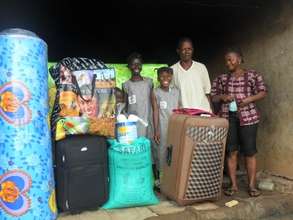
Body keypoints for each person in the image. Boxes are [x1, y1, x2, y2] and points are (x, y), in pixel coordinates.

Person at [211, 47, 267, 197]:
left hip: (249, 118)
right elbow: (213, 97)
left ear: (240, 59)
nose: (227, 63)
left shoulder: (253, 75)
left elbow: (263, 91)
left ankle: (252, 186)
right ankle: (233, 185)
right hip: (228, 119)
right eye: (226, 60)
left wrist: (249, 99)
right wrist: (223, 97)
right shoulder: (222, 79)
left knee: (249, 152)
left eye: (230, 59)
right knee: (231, 151)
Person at [151, 67, 180, 187]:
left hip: (175, 126)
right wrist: (157, 129)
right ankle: (159, 181)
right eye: (162, 77)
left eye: (168, 76)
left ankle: (172, 179)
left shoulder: (176, 91)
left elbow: (179, 109)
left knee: (174, 152)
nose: (165, 79)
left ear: (171, 77)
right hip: (162, 126)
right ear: (158, 78)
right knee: (161, 152)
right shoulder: (156, 92)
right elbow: (155, 111)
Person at [171, 37, 212, 112]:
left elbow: (207, 93)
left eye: (189, 49)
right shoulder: (173, 70)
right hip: (184, 114)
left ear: (193, 50)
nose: (187, 52)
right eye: (183, 49)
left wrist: (210, 112)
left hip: (203, 112)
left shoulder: (201, 67)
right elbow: (170, 95)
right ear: (178, 51)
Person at [122, 52, 153, 137]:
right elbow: (125, 106)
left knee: (147, 145)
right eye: (133, 64)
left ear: (142, 65)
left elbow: (154, 104)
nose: (136, 66)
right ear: (129, 66)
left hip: (147, 121)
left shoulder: (149, 82)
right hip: (133, 122)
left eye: (138, 64)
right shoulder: (126, 85)